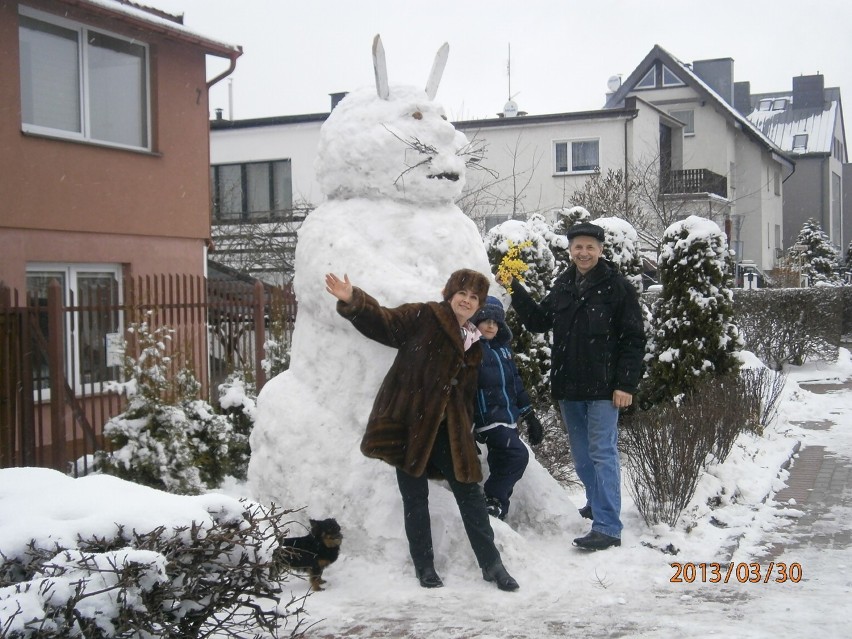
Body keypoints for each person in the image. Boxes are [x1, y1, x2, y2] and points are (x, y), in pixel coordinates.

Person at [324, 269, 519, 591]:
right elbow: (384, 322)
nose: (467, 301)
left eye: (474, 298)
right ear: (449, 293)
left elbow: (467, 396)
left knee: (471, 495)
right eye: (463, 293)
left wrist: (469, 429)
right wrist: (353, 300)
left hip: (451, 431)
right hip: (410, 425)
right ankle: (424, 566)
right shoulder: (424, 315)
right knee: (415, 498)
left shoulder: (474, 343)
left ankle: (492, 564)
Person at [505, 222, 645, 551]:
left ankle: (608, 527)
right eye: (577, 247)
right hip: (569, 387)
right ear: (570, 250)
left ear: (600, 250)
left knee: (602, 453)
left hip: (603, 388)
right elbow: (540, 321)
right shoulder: (565, 284)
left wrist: (625, 383)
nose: (583, 253)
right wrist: (514, 288)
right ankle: (596, 504)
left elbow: (633, 339)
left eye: (590, 247)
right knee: (582, 458)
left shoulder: (617, 288)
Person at [472, 296, 544, 521]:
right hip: (488, 419)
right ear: (476, 321)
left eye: (496, 321)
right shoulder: (472, 350)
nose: (491, 325)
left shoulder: (503, 350)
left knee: (501, 462)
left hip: (508, 417)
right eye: (485, 320)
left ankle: (496, 513)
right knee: (516, 455)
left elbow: (516, 384)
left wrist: (529, 415)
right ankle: (492, 499)